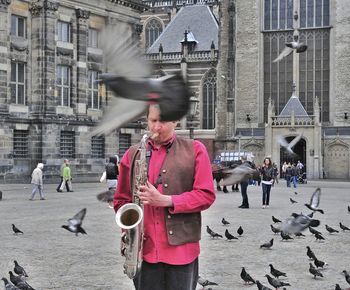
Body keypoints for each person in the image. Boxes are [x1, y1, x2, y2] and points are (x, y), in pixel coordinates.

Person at [114, 104, 216, 290]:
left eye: (163, 121)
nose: (156, 127)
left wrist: (166, 200)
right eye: (152, 121)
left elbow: (206, 195)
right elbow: (121, 200)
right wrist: (128, 228)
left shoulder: (196, 150)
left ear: (176, 121)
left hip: (182, 252)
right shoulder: (132, 154)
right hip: (144, 252)